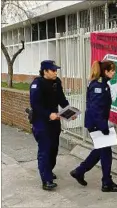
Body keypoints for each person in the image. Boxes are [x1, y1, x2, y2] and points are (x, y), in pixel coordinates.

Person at [70, 60, 117, 192]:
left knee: (101, 151)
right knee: (105, 152)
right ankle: (106, 182)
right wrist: (103, 126)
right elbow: (96, 109)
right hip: (97, 124)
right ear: (105, 71)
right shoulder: (99, 86)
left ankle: (80, 171)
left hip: (97, 123)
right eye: (112, 70)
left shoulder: (102, 83)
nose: (114, 72)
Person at [30, 60, 71, 190]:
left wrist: (70, 111)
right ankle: (46, 180)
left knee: (54, 149)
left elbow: (61, 99)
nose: (55, 72)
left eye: (56, 70)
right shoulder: (37, 84)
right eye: (53, 70)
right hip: (41, 122)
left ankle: (48, 170)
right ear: (45, 71)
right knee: (45, 150)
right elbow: (35, 105)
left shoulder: (56, 82)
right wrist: (49, 114)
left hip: (55, 121)